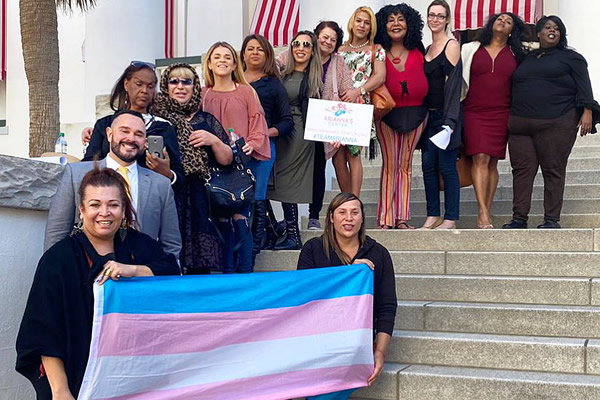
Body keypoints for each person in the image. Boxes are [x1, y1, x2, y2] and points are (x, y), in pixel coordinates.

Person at [16, 167, 180, 399]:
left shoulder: (140, 247)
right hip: (78, 377)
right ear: (81, 210)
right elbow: (44, 331)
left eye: (113, 205)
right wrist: (61, 391)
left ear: (123, 210)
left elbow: (172, 275)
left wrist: (134, 270)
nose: (105, 212)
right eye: (95, 205)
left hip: (135, 378)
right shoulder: (59, 259)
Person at [502, 15, 599, 229]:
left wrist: (588, 111)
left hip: (557, 122)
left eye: (556, 28)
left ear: (561, 33)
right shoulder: (526, 58)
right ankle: (519, 218)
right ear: (539, 33)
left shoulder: (572, 58)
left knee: (553, 169)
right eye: (547, 27)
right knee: (521, 171)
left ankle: (551, 219)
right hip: (521, 124)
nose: (552, 30)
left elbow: (584, 85)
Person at [297, 192, 397, 400]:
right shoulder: (313, 249)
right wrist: (349, 274)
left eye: (354, 213)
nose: (349, 218)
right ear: (331, 217)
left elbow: (386, 307)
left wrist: (380, 351)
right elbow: (304, 297)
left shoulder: (379, 253)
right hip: (319, 337)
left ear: (362, 218)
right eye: (342, 212)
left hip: (356, 341)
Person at [44, 110, 182, 259]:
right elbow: (56, 233)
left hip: (141, 274)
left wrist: (167, 278)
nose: (131, 138)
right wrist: (53, 271)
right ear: (109, 134)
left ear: (145, 142)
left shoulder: (160, 184)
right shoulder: (75, 174)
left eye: (138, 134)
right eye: (125, 131)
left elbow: (171, 244)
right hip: (86, 272)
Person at [153, 63, 233, 274]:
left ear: (195, 86)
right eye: (174, 81)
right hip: (168, 193)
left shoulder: (206, 120)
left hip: (200, 199)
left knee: (200, 264)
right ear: (165, 87)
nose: (180, 87)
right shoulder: (156, 119)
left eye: (186, 82)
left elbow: (227, 160)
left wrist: (213, 140)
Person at [201, 41, 270, 272]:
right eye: (217, 56)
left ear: (234, 63)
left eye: (227, 57)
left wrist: (252, 143)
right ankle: (226, 272)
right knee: (220, 217)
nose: (222, 60)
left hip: (242, 161)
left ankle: (245, 271)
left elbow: (257, 121)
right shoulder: (203, 94)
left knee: (241, 217)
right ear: (209, 63)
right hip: (212, 164)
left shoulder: (245, 91)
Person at [81, 61, 185, 192]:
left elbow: (180, 178)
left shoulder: (163, 127)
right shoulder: (105, 124)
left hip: (149, 198)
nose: (144, 90)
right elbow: (87, 165)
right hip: (108, 195)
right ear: (126, 84)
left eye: (150, 86)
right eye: (139, 84)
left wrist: (167, 173)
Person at [462, 13, 524, 229]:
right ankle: (482, 212)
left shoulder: (517, 53)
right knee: (479, 157)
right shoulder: (470, 49)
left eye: (509, 22)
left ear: (512, 30)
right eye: (500, 19)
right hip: (474, 111)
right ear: (491, 23)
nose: (503, 22)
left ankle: (486, 210)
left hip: (502, 112)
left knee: (492, 161)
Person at [374, 3, 428, 229]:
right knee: (390, 165)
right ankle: (385, 219)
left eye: (401, 19)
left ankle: (402, 218)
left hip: (417, 114)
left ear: (410, 23)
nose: (396, 24)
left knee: (405, 166)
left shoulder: (419, 48)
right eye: (390, 20)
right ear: (383, 25)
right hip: (387, 114)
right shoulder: (376, 50)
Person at [268, 31, 323, 250]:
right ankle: (277, 228)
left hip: (300, 131)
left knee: (287, 180)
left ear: (312, 51)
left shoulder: (315, 78)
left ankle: (293, 234)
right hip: (280, 130)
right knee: (271, 182)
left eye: (306, 45)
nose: (300, 48)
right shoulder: (281, 73)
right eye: (296, 43)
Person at [240, 34, 294, 257]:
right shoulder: (233, 82)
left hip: (262, 150)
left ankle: (256, 243)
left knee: (258, 194)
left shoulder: (273, 84)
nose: (254, 53)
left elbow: (286, 122)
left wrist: (263, 134)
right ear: (242, 53)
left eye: (260, 49)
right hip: (232, 149)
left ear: (268, 55)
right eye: (250, 48)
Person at [420, 0, 461, 229]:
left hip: (447, 117)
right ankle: (432, 214)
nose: (435, 19)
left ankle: (451, 217)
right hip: (429, 117)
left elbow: (453, 86)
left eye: (440, 16)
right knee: (428, 167)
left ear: (447, 19)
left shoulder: (451, 45)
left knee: (447, 167)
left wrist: (450, 122)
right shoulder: (427, 49)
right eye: (432, 15)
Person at [338, 6, 386, 163]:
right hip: (338, 106)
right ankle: (346, 189)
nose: (361, 25)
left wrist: (358, 91)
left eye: (367, 23)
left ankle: (353, 190)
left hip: (360, 105)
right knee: (337, 159)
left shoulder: (376, 49)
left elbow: (380, 76)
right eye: (358, 21)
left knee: (353, 155)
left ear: (371, 28)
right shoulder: (339, 49)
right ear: (352, 22)